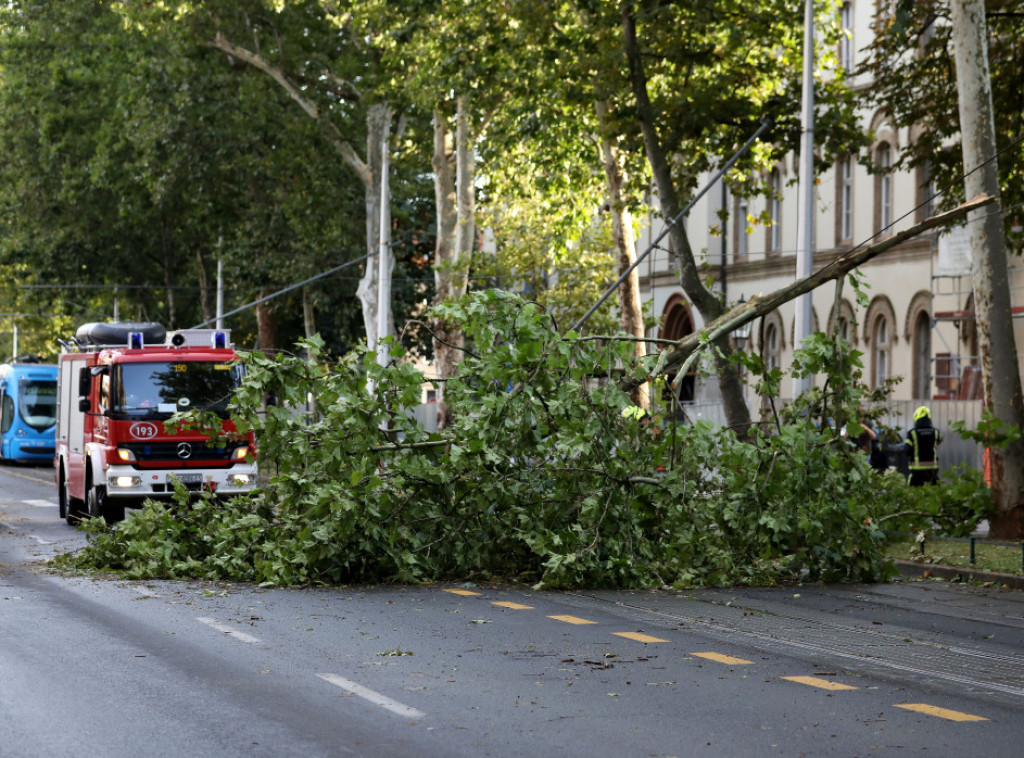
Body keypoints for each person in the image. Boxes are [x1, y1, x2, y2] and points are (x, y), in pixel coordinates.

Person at [905, 405, 942, 486]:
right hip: (932, 468)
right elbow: (938, 441)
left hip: (917, 469)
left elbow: (907, 450)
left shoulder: (912, 433)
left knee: (913, 492)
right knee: (934, 491)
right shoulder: (936, 432)